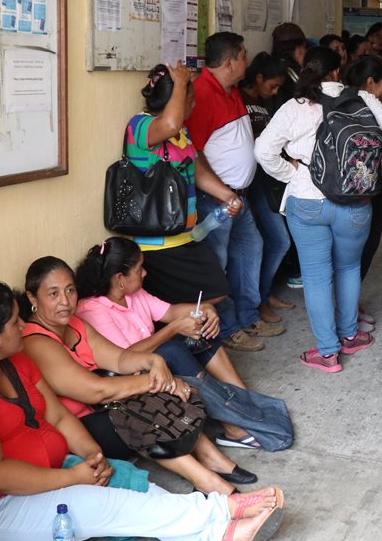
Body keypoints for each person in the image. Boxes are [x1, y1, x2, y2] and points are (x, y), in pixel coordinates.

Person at [0, 280, 285, 541]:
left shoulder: (15, 361)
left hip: (53, 472)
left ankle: (216, 529)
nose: (22, 326)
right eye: (15, 322)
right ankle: (220, 513)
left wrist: (93, 456)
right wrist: (71, 476)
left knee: (130, 483)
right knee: (92, 505)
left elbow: (57, 415)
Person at [20, 257, 256, 494]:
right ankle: (208, 481)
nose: (65, 301)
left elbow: (120, 359)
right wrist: (158, 382)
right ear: (33, 298)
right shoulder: (36, 343)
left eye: (70, 290)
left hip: (106, 407)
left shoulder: (76, 325)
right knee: (143, 407)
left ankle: (208, 455)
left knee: (152, 380)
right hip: (81, 429)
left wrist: (155, 362)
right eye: (53, 294)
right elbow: (95, 390)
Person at [255, 46, 382, 373]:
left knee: (316, 276)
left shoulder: (295, 106)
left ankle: (327, 353)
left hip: (306, 202)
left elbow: (263, 151)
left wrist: (292, 173)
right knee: (349, 268)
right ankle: (350, 335)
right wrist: (366, 171)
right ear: (338, 72)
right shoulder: (363, 99)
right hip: (355, 201)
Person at [74, 237, 262, 448]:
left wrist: (204, 310)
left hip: (153, 361)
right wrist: (174, 328)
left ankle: (246, 403)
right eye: (139, 269)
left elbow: (171, 311)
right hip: (129, 377)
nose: (145, 273)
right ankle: (231, 426)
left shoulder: (134, 294)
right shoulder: (92, 310)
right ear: (119, 279)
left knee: (202, 331)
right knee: (173, 348)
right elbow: (124, 358)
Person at [185, 32, 284, 353]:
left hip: (236, 195)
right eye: (243, 56)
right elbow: (194, 154)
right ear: (230, 62)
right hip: (215, 200)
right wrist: (221, 192)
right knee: (218, 264)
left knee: (249, 249)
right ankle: (226, 328)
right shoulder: (201, 93)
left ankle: (246, 315)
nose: (247, 60)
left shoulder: (230, 90)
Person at [123, 62, 237, 307]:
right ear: (173, 99)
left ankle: (185, 331)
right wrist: (182, 82)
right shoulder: (140, 126)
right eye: (190, 99)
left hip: (186, 235)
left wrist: (226, 195)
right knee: (203, 296)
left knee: (216, 290)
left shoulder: (180, 132)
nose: (194, 104)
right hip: (157, 240)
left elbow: (194, 169)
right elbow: (169, 124)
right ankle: (183, 331)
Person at [238, 53, 296, 324]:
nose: (274, 91)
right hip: (248, 182)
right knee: (275, 240)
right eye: (272, 85)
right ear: (258, 77)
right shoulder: (238, 99)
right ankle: (257, 300)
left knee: (272, 240)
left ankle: (264, 292)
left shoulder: (262, 101)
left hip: (265, 180)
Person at [344, 54, 382, 289]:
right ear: (370, 82)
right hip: (366, 185)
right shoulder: (368, 103)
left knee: (350, 252)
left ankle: (347, 306)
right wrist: (374, 164)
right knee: (364, 246)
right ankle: (348, 309)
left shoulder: (339, 100)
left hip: (344, 183)